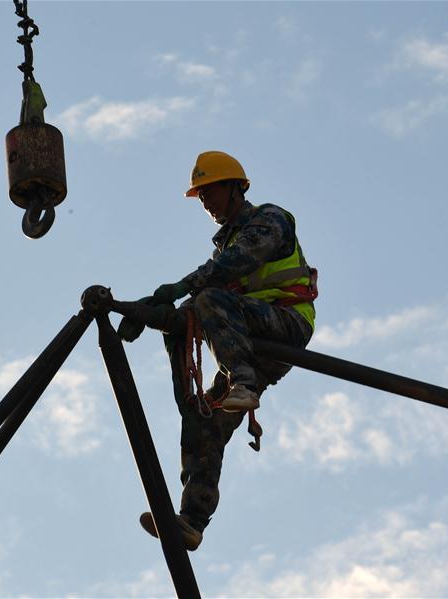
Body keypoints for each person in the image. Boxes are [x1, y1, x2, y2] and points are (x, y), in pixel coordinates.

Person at [120, 150, 317, 551]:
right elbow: (201, 302)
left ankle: (242, 381)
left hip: (286, 325)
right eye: (201, 195)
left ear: (234, 188)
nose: (206, 202)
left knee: (207, 298)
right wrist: (157, 312)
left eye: (209, 192)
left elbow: (232, 266)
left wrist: (180, 287)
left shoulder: (269, 220)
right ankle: (191, 521)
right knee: (205, 421)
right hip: (251, 343)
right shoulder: (224, 244)